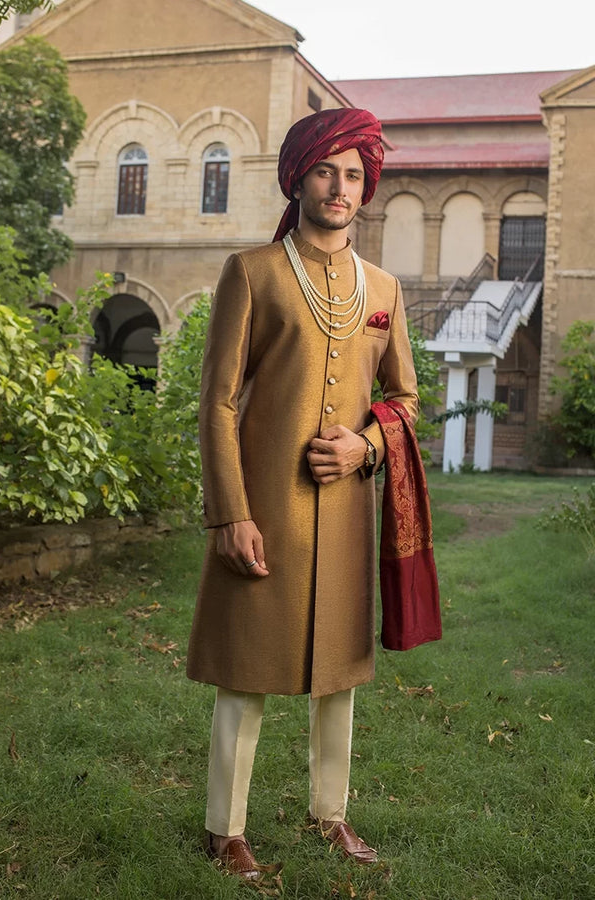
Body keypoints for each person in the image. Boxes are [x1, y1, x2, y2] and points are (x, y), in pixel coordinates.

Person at [186, 107, 424, 880]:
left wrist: (365, 443)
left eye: (355, 175)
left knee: (341, 680)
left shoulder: (384, 289)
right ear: (299, 176)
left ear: (368, 187)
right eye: (327, 170)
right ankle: (225, 829)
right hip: (265, 512)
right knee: (245, 670)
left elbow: (405, 402)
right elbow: (219, 401)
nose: (341, 187)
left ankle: (332, 814)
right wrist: (231, 513)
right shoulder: (251, 272)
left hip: (348, 516)